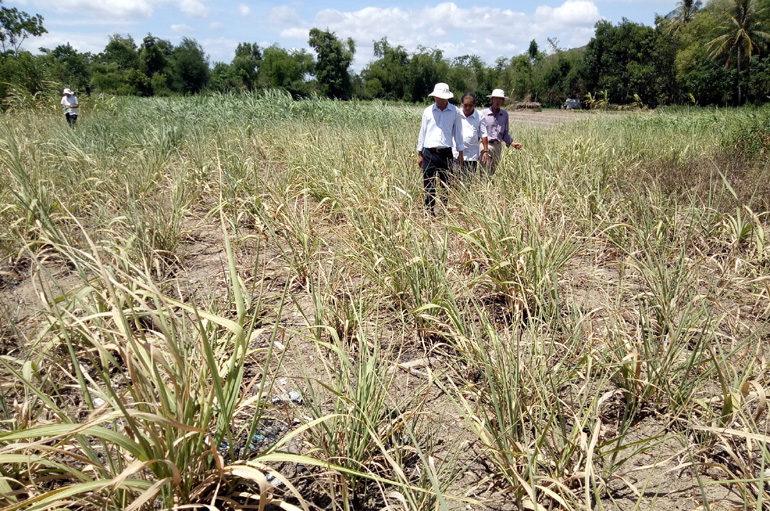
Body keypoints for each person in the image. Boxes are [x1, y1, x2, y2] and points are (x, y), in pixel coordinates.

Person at [417, 83, 464, 214]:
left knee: (445, 182)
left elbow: (458, 133)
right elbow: (423, 132)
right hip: (429, 153)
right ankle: (429, 210)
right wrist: (419, 153)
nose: (438, 100)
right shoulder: (427, 111)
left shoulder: (455, 111)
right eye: (436, 97)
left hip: (446, 153)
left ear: (447, 98)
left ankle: (444, 210)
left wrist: (460, 153)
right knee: (428, 183)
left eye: (441, 97)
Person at [481, 89, 522, 174]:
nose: (498, 101)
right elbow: (478, 132)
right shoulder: (483, 113)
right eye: (496, 98)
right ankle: (482, 186)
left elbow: (505, 133)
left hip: (498, 147)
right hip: (486, 146)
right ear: (491, 99)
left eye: (500, 99)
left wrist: (513, 143)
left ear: (503, 101)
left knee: (492, 172)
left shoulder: (504, 114)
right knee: (484, 172)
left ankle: (489, 187)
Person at [453, 92, 488, 177]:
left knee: (468, 181)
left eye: (470, 105)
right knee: (455, 180)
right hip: (456, 153)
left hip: (471, 155)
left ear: (474, 104)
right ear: (462, 103)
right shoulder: (456, 113)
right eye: (465, 105)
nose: (467, 108)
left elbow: (483, 134)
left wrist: (485, 151)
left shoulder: (479, 115)